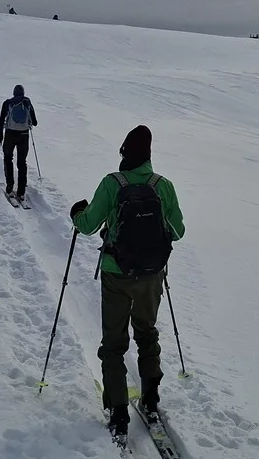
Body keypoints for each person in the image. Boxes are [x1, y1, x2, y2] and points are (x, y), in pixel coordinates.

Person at [69, 125, 185, 439]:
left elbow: (89, 225)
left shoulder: (112, 183)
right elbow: (178, 231)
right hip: (150, 276)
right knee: (147, 333)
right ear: (149, 154)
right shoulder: (163, 185)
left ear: (124, 153)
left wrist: (76, 213)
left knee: (114, 343)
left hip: (116, 274)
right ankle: (150, 399)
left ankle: (118, 410)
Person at [0, 84, 38, 201]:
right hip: (24, 136)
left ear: (14, 93)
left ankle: (9, 188)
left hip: (10, 135)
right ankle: (21, 192)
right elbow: (35, 122)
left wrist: (0, 135)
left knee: (8, 158)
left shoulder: (7, 103)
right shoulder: (27, 102)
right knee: (22, 162)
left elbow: (1, 120)